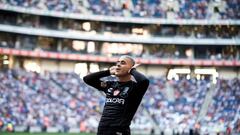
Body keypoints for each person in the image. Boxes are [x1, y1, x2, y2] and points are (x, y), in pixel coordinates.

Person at [83, 55, 149, 135]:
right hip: (102, 130)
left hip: (119, 131)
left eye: (123, 63)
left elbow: (144, 81)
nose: (118, 65)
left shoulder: (135, 88)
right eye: (118, 62)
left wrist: (132, 70)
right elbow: (87, 79)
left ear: (131, 68)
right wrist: (107, 72)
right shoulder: (110, 85)